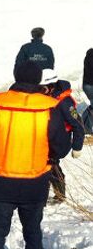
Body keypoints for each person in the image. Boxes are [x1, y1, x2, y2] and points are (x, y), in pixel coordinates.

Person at [0, 61, 71, 249]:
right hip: (35, 180)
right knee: (33, 231)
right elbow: (60, 147)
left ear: (16, 76)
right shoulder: (49, 109)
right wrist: (49, 156)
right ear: (38, 80)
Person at [39, 69, 85, 204]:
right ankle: (41, 192)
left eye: (42, 89)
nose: (39, 91)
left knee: (51, 165)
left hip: (59, 141)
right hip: (44, 138)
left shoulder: (64, 102)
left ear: (52, 86)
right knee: (41, 165)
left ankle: (59, 194)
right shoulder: (44, 96)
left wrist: (77, 147)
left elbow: (78, 125)